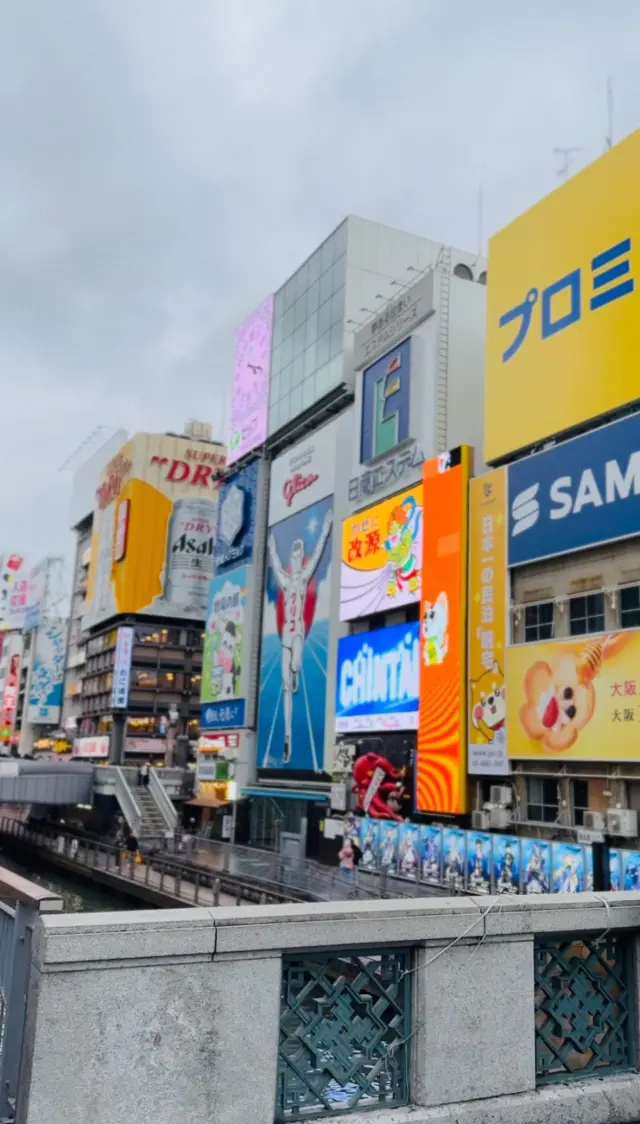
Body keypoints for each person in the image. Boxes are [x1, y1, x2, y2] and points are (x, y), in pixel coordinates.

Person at [267, 509, 332, 764]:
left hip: (298, 632)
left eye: (297, 554)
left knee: (295, 666)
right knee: (285, 687)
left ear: (299, 559)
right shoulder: (284, 579)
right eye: (292, 555)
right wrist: (271, 546)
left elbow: (317, 554)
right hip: (286, 634)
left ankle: (295, 675)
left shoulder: (304, 578)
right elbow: (273, 562)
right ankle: (287, 737)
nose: (295, 558)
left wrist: (326, 527)